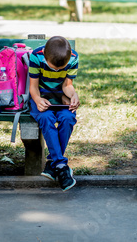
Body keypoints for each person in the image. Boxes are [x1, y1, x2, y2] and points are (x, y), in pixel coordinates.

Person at [29, 36, 80, 191]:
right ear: (45, 55)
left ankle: (54, 163)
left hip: (60, 98)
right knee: (46, 117)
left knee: (68, 117)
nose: (57, 71)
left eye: (61, 68)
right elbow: (33, 87)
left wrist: (73, 95)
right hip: (40, 97)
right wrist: (37, 99)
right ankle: (61, 165)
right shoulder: (36, 56)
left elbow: (67, 85)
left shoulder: (73, 58)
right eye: (54, 68)